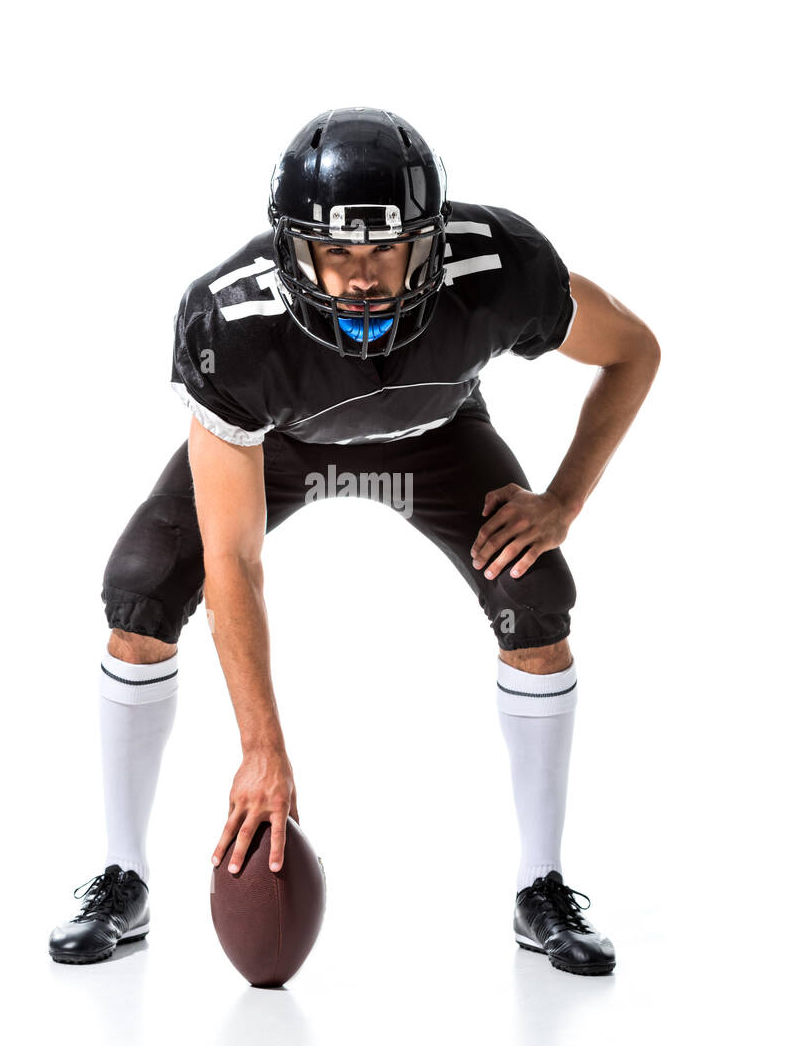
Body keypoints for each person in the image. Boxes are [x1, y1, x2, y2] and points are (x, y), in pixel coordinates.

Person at [49, 107, 660, 975]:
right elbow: (233, 559)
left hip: (435, 435)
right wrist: (263, 748)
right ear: (292, 247)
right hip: (277, 444)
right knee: (142, 592)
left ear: (433, 241)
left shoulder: (499, 267)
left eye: (385, 251)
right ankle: (121, 874)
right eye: (336, 253)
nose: (361, 279)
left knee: (537, 602)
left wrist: (560, 501)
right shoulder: (232, 321)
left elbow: (633, 349)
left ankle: (540, 884)